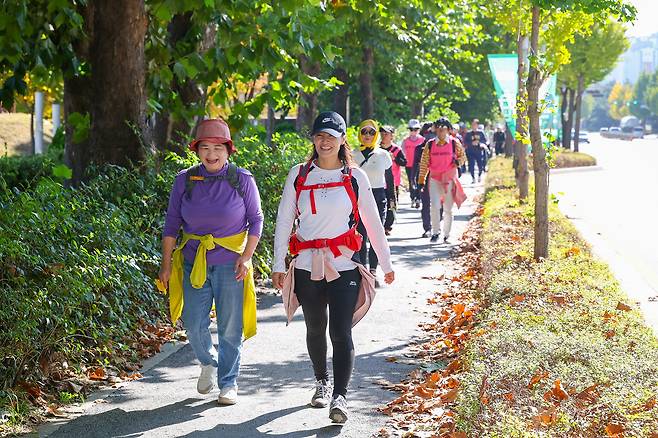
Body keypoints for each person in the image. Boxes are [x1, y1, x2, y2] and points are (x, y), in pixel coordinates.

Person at [271, 111, 395, 424]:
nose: (325, 141)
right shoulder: (299, 174)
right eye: (319, 135)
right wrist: (277, 264)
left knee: (340, 331)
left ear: (342, 140)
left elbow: (372, 222)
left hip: (344, 266)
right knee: (315, 328)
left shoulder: (355, 177)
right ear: (313, 139)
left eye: (331, 135)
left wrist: (386, 262)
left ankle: (339, 397)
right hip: (306, 266)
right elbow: (285, 219)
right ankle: (321, 382)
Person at [159, 118, 263, 406]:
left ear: (228, 150)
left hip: (232, 264)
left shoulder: (242, 179)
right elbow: (171, 224)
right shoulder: (185, 179)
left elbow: (256, 220)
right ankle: (209, 361)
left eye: (218, 147)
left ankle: (228, 383)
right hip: (194, 261)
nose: (211, 154)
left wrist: (246, 256)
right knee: (193, 324)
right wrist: (166, 264)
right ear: (197, 150)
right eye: (205, 147)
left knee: (230, 327)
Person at [352, 119, 395, 285]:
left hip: (378, 197)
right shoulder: (352, 155)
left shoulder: (383, 155)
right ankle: (363, 272)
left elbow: (390, 181)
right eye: (364, 132)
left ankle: (373, 271)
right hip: (359, 198)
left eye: (371, 132)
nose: (367, 135)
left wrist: (392, 202)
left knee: (377, 235)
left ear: (376, 134)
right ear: (359, 134)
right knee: (361, 236)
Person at [417, 117, 467, 243]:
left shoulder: (455, 143)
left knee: (448, 208)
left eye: (443, 129)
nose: (440, 132)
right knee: (434, 205)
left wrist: (458, 162)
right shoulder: (430, 144)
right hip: (434, 178)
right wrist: (421, 180)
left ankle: (446, 234)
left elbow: (463, 157)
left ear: (448, 130)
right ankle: (435, 232)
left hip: (449, 179)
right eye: (438, 129)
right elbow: (424, 162)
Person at [380, 125, 407, 235]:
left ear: (392, 136)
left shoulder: (396, 149)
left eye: (386, 133)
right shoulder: (377, 149)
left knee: (392, 204)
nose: (384, 135)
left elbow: (404, 162)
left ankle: (387, 226)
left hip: (393, 182)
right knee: (380, 204)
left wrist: (394, 158)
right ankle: (380, 225)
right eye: (382, 133)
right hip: (379, 182)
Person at [416, 122, 435, 237]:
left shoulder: (443, 146)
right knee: (426, 204)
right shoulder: (419, 149)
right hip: (425, 179)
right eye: (427, 133)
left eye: (432, 132)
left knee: (440, 205)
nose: (429, 136)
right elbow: (414, 166)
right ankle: (427, 228)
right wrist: (416, 181)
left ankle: (437, 225)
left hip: (440, 179)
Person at [401, 119, 425, 208]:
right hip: (409, 165)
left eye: (416, 129)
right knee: (411, 181)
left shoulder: (422, 140)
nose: (413, 132)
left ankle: (418, 198)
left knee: (419, 181)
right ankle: (412, 198)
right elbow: (402, 152)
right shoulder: (405, 141)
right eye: (411, 129)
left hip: (419, 164)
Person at [463, 118, 488, 184]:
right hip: (470, 151)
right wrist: (471, 143)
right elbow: (465, 142)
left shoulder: (481, 133)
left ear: (477, 125)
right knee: (471, 165)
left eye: (475, 124)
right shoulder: (468, 133)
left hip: (479, 151)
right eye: (472, 124)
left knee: (480, 165)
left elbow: (485, 141)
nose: (473, 126)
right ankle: (473, 178)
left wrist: (480, 143)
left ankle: (479, 175)